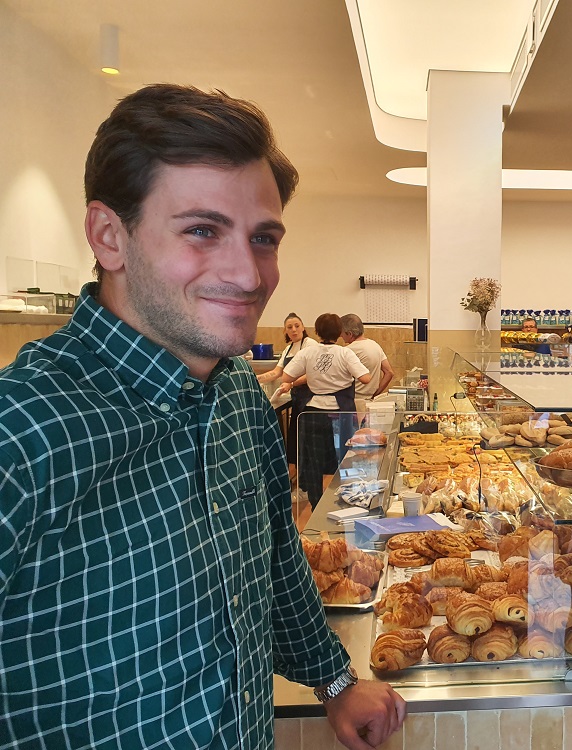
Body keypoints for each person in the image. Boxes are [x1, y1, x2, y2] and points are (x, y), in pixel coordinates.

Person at [0, 85, 404, 749]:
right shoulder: (24, 427)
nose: (249, 273)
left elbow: (275, 558)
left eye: (264, 238)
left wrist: (335, 681)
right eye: (201, 230)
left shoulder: (240, 395)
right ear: (109, 236)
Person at [281, 313, 371, 508]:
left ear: (317, 332)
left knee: (313, 462)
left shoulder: (308, 352)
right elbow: (365, 378)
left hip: (312, 414)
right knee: (345, 458)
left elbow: (286, 376)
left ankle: (316, 504)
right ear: (339, 332)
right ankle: (347, 502)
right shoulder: (345, 353)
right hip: (340, 414)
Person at [257, 312, 319, 463]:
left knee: (309, 438)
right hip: (297, 398)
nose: (294, 330)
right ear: (285, 331)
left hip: (311, 397)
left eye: (297, 326)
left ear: (303, 327)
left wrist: (291, 383)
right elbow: (277, 372)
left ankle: (309, 474)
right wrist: (255, 378)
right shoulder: (288, 350)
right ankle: (297, 471)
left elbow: (314, 373)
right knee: (297, 436)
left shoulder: (310, 344)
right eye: (289, 327)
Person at [340, 313, 395, 415]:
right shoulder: (375, 345)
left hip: (353, 403)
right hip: (370, 402)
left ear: (350, 334)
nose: (340, 336)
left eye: (342, 333)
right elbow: (389, 372)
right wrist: (375, 393)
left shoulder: (348, 351)